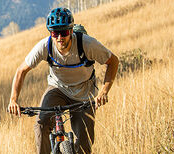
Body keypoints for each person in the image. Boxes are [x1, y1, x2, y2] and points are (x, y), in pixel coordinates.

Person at [7, 7, 119, 154]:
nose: (59, 37)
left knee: (84, 144)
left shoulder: (87, 44)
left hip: (84, 93)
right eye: (55, 33)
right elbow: (21, 70)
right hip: (57, 89)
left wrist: (104, 91)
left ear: (71, 31)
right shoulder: (45, 46)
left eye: (64, 32)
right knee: (41, 124)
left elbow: (113, 61)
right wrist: (13, 100)